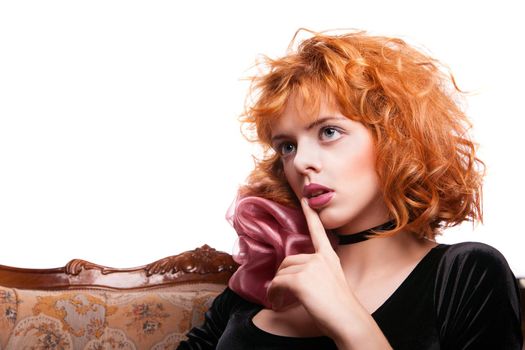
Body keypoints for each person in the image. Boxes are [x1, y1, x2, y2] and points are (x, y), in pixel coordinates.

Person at [177, 29, 522, 349]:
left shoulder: (465, 274)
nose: (300, 163)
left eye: (328, 132)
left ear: (394, 139)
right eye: (287, 146)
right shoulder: (261, 283)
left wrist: (349, 321)